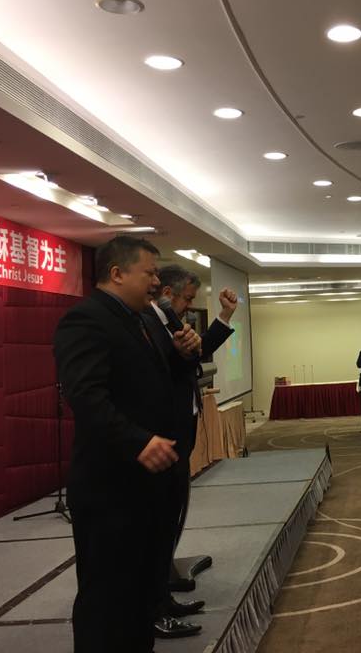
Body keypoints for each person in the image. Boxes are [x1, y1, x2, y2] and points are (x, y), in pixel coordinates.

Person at [53, 236, 201, 653]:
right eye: (149, 272)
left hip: (147, 483)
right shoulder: (86, 319)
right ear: (117, 273)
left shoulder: (141, 320)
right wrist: (137, 441)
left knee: (139, 593)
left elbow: (158, 384)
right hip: (110, 487)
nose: (156, 281)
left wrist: (183, 355)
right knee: (107, 597)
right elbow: (85, 395)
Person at [146, 265, 236, 638]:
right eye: (187, 299)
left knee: (172, 518)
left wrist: (224, 317)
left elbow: (195, 354)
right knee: (158, 525)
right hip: (161, 438)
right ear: (166, 292)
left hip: (180, 433)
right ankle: (154, 606)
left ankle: (164, 597)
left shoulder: (168, 321)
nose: (188, 307)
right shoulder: (148, 325)